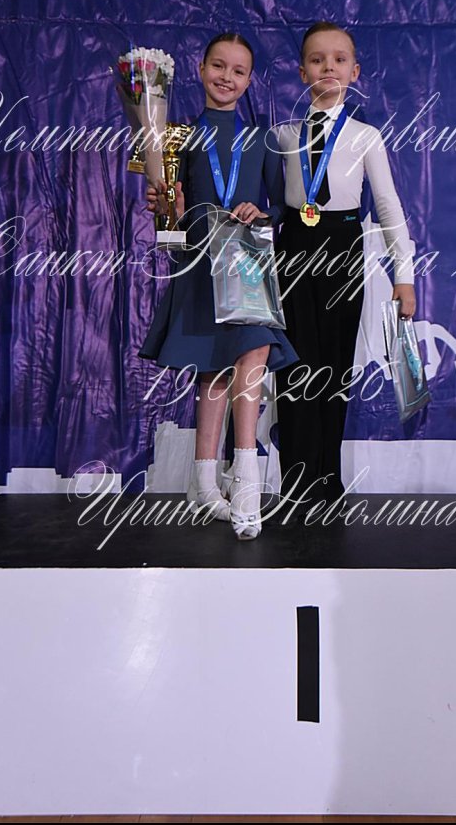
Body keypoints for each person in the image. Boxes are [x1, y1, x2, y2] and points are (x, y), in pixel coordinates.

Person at [139, 32, 297, 540]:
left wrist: (261, 211)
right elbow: (170, 226)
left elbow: (281, 208)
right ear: (201, 69)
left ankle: (247, 478)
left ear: (249, 81)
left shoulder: (262, 139)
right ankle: (204, 484)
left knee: (254, 352)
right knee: (213, 371)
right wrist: (170, 207)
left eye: (238, 71)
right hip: (200, 261)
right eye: (218, 66)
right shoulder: (176, 136)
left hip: (246, 260)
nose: (227, 77)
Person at [274, 21, 416, 517]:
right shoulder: (283, 136)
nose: (328, 68)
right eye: (317, 60)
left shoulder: (365, 136)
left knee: (333, 365)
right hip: (293, 248)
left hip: (342, 247)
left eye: (339, 60)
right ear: (302, 72)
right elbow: (265, 202)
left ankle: (327, 480)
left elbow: (389, 206)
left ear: (355, 72)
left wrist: (404, 275)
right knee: (294, 365)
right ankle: (294, 482)